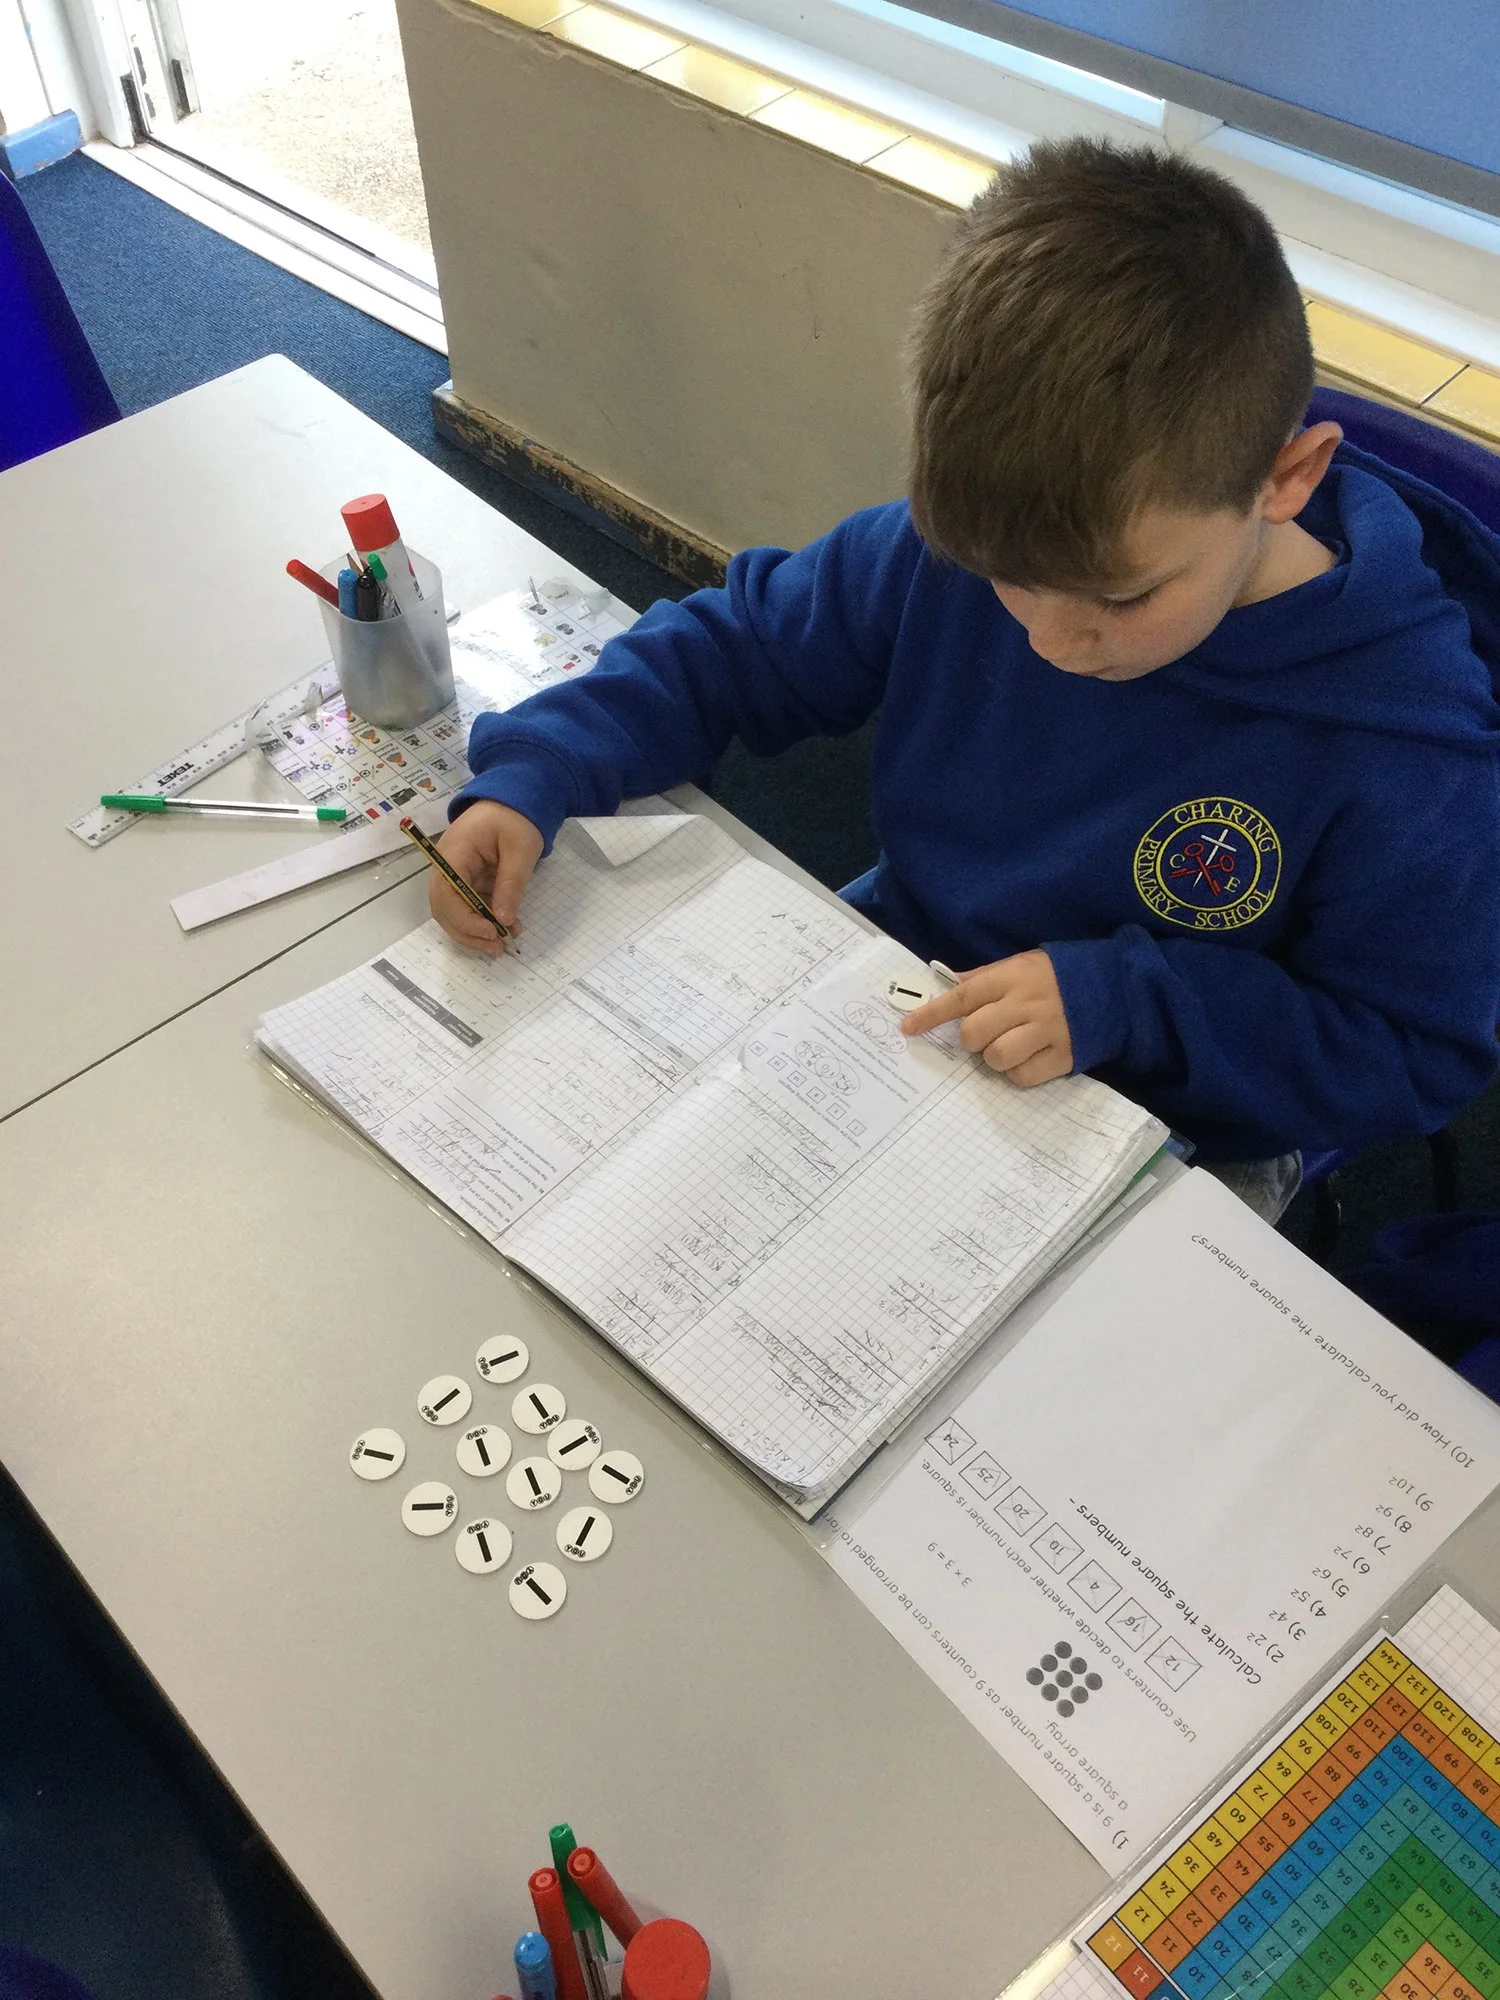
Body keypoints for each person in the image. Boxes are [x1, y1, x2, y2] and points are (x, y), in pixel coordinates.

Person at [430, 138, 1500, 1223]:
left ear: (1288, 479)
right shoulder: (957, 546)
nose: (1049, 640)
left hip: (1179, 1105)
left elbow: (1414, 1050)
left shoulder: (1409, 750)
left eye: (1120, 599)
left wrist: (1128, 1003)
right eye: (1007, 583)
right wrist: (542, 764)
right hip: (907, 975)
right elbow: (737, 648)